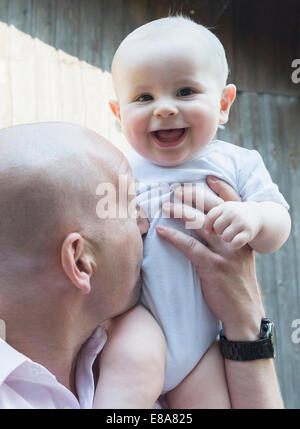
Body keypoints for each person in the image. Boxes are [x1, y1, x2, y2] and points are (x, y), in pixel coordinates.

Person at [0, 122, 283, 408]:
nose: (145, 223)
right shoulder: (136, 373)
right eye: (130, 206)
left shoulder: (142, 365)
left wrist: (244, 320)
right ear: (80, 262)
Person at [99, 15, 291, 408]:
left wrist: (254, 217)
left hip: (205, 342)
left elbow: (278, 225)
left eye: (185, 91)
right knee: (127, 378)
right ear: (118, 114)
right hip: (137, 323)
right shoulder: (117, 167)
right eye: (144, 97)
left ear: (222, 104)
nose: (165, 108)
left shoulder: (235, 163)